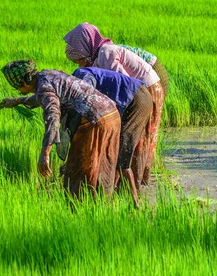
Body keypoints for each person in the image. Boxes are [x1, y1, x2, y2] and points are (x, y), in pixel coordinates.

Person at [63, 23, 164, 186]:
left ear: (86, 49)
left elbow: (127, 85)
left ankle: (136, 179)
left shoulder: (106, 53)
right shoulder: (97, 58)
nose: (80, 65)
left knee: (140, 135)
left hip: (146, 89)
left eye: (80, 60)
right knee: (134, 136)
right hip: (139, 91)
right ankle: (132, 178)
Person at [0, 60, 121, 197]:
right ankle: (103, 204)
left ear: (24, 83)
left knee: (79, 169)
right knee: (104, 164)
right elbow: (43, 97)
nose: (19, 91)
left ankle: (78, 208)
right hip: (111, 114)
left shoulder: (43, 87)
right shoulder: (47, 74)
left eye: (18, 89)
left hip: (94, 120)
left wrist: (44, 155)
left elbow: (52, 118)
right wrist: (17, 101)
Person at [72, 67, 152, 206]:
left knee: (122, 156)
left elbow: (88, 93)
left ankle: (135, 203)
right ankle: (111, 194)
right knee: (115, 152)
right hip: (135, 98)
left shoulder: (80, 76)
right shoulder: (73, 81)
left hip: (137, 99)